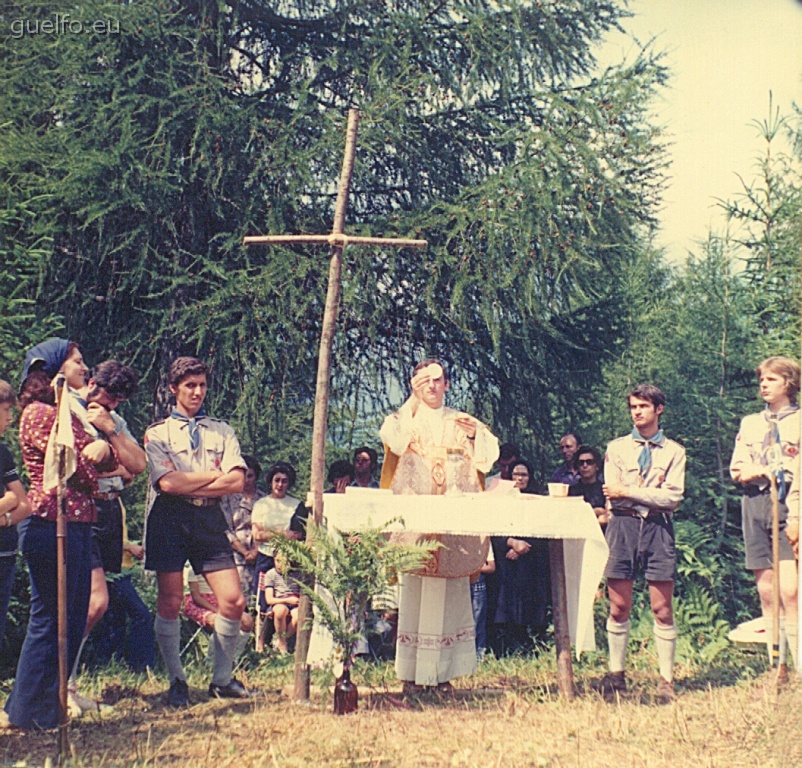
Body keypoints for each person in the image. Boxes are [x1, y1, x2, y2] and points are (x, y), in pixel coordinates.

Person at [3, 339, 118, 730]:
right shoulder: (39, 413)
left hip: (74, 524)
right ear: (54, 369)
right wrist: (98, 455)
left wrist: (102, 452)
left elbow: (104, 461)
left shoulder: (60, 412)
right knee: (52, 618)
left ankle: (39, 709)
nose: (86, 368)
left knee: (64, 616)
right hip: (52, 524)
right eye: (78, 361)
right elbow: (77, 468)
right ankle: (28, 711)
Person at [380, 358, 499, 694]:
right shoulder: (406, 419)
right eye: (424, 382)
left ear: (447, 384)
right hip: (418, 519)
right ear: (415, 386)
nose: (431, 386)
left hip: (452, 521)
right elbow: (392, 439)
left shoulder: (462, 421)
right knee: (415, 595)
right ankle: (410, 676)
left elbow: (488, 456)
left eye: (437, 380)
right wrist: (411, 401)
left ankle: (444, 674)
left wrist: (476, 437)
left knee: (451, 597)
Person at [144, 356, 249, 707]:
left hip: (208, 521)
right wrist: (212, 478)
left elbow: (236, 480)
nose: (197, 392)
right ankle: (177, 680)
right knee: (171, 600)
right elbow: (168, 484)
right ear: (174, 389)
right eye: (190, 385)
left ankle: (221, 679)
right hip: (170, 520)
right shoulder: (158, 434)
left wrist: (193, 484)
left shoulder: (222, 430)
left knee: (233, 600)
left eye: (202, 385)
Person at [67, 360, 148, 715]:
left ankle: (66, 684)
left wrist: (110, 430)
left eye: (120, 399)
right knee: (90, 602)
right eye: (109, 394)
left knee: (95, 605)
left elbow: (139, 465)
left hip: (110, 512)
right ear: (94, 383)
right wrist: (115, 464)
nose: (113, 403)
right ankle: (56, 685)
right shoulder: (70, 406)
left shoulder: (112, 419)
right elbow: (82, 464)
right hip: (83, 508)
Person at [598, 384, 685, 703]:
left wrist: (631, 492)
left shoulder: (674, 451)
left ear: (658, 409)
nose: (637, 412)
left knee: (662, 607)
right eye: (633, 406)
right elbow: (611, 491)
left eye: (643, 406)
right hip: (622, 526)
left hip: (658, 529)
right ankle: (616, 674)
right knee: (619, 605)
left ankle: (666, 679)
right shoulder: (617, 448)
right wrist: (643, 494)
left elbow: (673, 497)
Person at [730, 356, 800, 680]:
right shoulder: (750, 423)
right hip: (755, 503)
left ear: (788, 383)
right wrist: (754, 471)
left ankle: (799, 666)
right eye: (761, 379)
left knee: (790, 590)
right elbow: (738, 467)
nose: (763, 385)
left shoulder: (798, 423)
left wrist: (797, 516)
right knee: (768, 590)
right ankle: (778, 666)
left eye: (771, 379)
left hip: (788, 505)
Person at [490, 459, 550, 656]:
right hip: (507, 559)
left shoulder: (538, 498)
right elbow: (493, 527)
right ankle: (505, 646)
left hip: (532, 560)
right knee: (505, 602)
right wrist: (511, 542)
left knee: (531, 603)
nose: (519, 478)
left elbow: (543, 528)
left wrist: (522, 545)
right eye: (516, 474)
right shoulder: (502, 499)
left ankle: (531, 646)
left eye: (523, 475)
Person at [0, 381, 31, 653]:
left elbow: (25, 505)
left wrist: (6, 518)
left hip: (4, 553)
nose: (11, 417)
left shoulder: (2, 453)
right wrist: (7, 501)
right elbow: (14, 499)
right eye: (7, 410)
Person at [250, 461, 303, 610]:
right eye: (277, 480)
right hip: (265, 557)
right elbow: (257, 535)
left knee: (288, 601)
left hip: (289, 560)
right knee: (261, 602)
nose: (280, 484)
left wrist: (282, 536)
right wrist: (282, 534)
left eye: (284, 481)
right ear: (271, 481)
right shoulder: (261, 504)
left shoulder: (296, 504)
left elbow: (298, 534)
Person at [220, 454, 265, 595]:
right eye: (243, 476)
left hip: (261, 555)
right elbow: (225, 529)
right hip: (235, 557)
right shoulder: (227, 498)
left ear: (256, 476)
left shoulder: (265, 499)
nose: (246, 480)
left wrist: (255, 552)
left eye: (250, 476)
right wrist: (245, 552)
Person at [261, 553, 302, 654]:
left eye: (283, 561)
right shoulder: (271, 574)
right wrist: (287, 600)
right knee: (280, 611)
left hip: (295, 602)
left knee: (298, 616)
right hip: (279, 602)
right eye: (277, 561)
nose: (279, 565)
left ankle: (280, 639)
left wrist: (297, 600)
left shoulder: (298, 574)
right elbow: (269, 599)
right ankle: (282, 643)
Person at [568, 445, 608, 527]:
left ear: (596, 466)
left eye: (589, 462)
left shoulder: (605, 490)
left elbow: (607, 516)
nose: (585, 466)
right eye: (581, 463)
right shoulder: (571, 491)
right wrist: (594, 512)